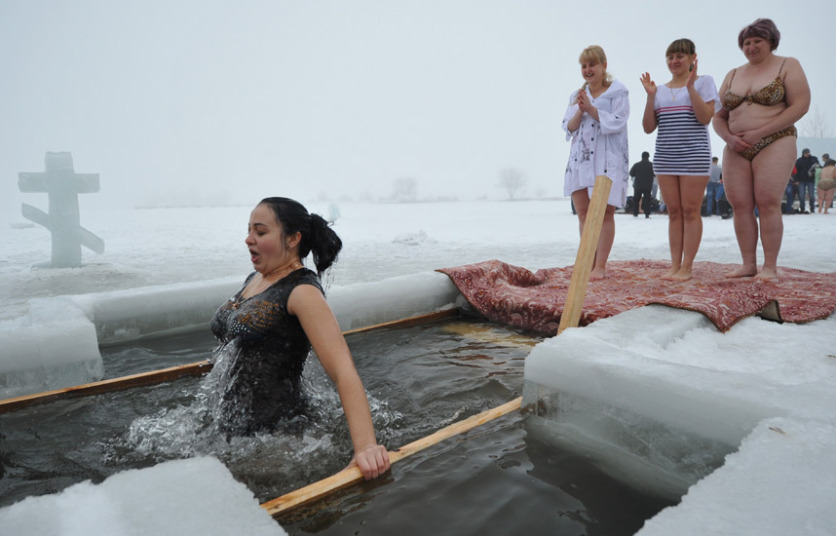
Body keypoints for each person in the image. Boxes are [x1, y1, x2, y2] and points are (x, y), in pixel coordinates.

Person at [210, 197, 390, 480]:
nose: (248, 239)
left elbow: (343, 370)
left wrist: (366, 447)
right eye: (249, 231)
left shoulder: (302, 291)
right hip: (231, 426)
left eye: (260, 231)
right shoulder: (255, 279)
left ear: (293, 238)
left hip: (277, 437)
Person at [713, 18, 810, 280]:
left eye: (757, 41)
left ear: (771, 42)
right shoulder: (733, 74)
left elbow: (800, 105)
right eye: (746, 42)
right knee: (740, 205)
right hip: (736, 146)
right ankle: (748, 264)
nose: (751, 46)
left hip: (775, 139)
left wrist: (759, 133)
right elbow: (718, 116)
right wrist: (729, 139)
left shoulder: (787, 65)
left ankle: (769, 266)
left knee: (767, 202)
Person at [641, 38, 721, 281]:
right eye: (670, 57)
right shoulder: (660, 90)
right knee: (673, 212)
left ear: (692, 59)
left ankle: (687, 267)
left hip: (694, 156)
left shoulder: (703, 82)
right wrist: (650, 97)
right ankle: (674, 265)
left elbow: (705, 117)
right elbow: (647, 128)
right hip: (665, 156)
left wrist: (691, 88)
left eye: (680, 56)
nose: (674, 61)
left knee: (690, 210)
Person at [562, 45, 630, 280]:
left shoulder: (618, 93)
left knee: (604, 212)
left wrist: (591, 109)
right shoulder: (576, 95)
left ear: (604, 66)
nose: (588, 70)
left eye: (592, 65)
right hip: (580, 158)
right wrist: (580, 111)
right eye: (584, 66)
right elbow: (568, 127)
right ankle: (587, 262)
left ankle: (600, 265)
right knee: (583, 212)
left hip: (606, 158)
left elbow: (618, 122)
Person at [793, 148, 819, 213]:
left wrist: (813, 171)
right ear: (803, 153)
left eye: (808, 152)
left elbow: (818, 166)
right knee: (801, 195)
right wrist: (796, 180)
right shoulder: (799, 161)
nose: (807, 154)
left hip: (810, 180)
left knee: (812, 195)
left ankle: (812, 208)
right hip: (801, 180)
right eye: (806, 153)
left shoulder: (814, 159)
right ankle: (802, 208)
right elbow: (796, 171)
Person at [630, 151, 655, 218]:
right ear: (648, 156)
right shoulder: (652, 165)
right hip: (648, 185)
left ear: (642, 156)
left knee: (636, 199)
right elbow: (655, 174)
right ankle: (647, 214)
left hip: (638, 185)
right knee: (647, 199)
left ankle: (635, 213)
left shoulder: (636, 165)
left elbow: (631, 173)